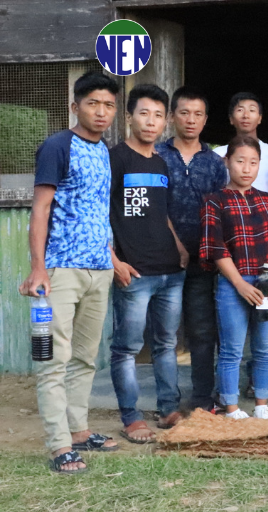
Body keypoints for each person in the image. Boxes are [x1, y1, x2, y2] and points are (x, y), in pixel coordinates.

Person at [19, 70, 121, 474]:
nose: (101, 112)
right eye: (93, 103)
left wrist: (112, 258)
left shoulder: (105, 150)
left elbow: (97, 211)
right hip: (60, 269)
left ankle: (79, 431)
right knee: (53, 360)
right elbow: (40, 209)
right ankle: (59, 445)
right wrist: (38, 269)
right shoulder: (57, 146)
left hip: (99, 269)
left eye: (109, 105)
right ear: (74, 106)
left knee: (85, 358)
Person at [108, 84, 189, 444]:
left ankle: (168, 408)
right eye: (144, 113)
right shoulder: (115, 159)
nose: (151, 121)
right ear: (129, 117)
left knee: (166, 344)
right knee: (126, 349)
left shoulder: (160, 162)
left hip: (170, 272)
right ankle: (131, 417)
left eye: (158, 115)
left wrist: (179, 248)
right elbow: (99, 214)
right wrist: (114, 261)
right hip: (134, 272)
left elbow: (162, 213)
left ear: (165, 121)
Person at [200, 136, 268, 420]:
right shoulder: (214, 201)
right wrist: (239, 283)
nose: (246, 168)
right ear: (227, 162)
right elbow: (216, 248)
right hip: (232, 284)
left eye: (253, 162)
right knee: (232, 350)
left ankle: (262, 404)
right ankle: (232, 407)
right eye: (240, 161)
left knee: (264, 348)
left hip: (267, 284)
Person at [156, 86, 229, 412]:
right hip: (162, 260)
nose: (191, 120)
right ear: (172, 116)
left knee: (202, 331)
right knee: (164, 335)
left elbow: (221, 212)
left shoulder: (214, 163)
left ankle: (202, 398)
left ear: (205, 120)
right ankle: (168, 402)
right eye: (184, 112)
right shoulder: (156, 155)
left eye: (198, 114)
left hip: (202, 262)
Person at [213, 92, 268, 195]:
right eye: (240, 110)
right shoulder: (218, 153)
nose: (246, 115)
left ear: (260, 118)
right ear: (231, 119)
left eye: (252, 110)